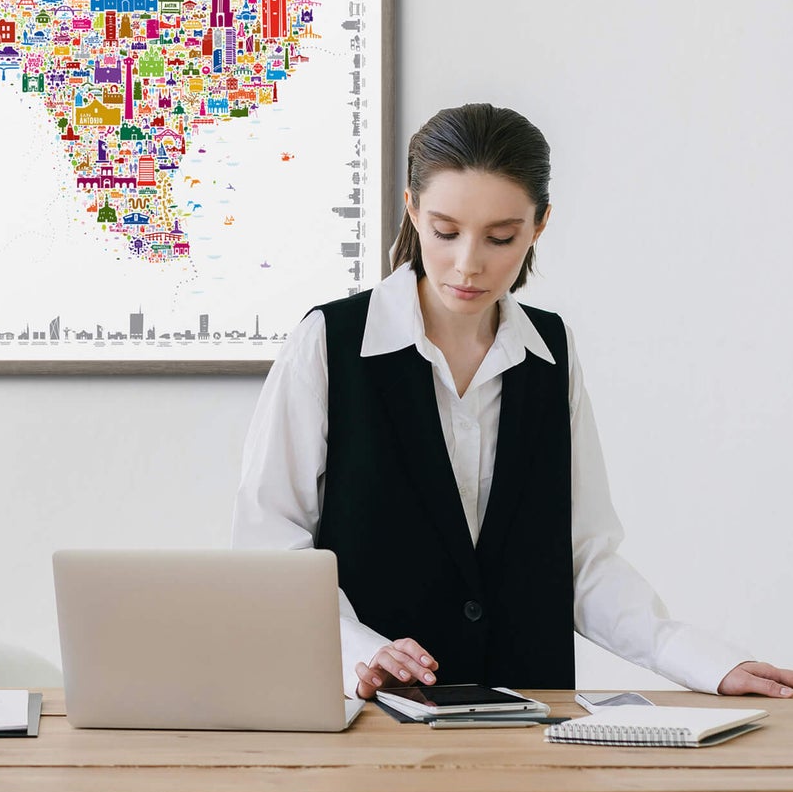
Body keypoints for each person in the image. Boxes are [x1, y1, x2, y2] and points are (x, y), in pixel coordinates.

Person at [232, 103, 793, 702]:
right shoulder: (329, 343)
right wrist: (361, 648)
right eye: (445, 232)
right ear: (412, 209)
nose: (468, 264)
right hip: (371, 722)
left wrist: (704, 663)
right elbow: (271, 543)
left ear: (539, 225)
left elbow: (582, 561)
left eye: (502, 237)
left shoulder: (551, 353)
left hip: (529, 722)